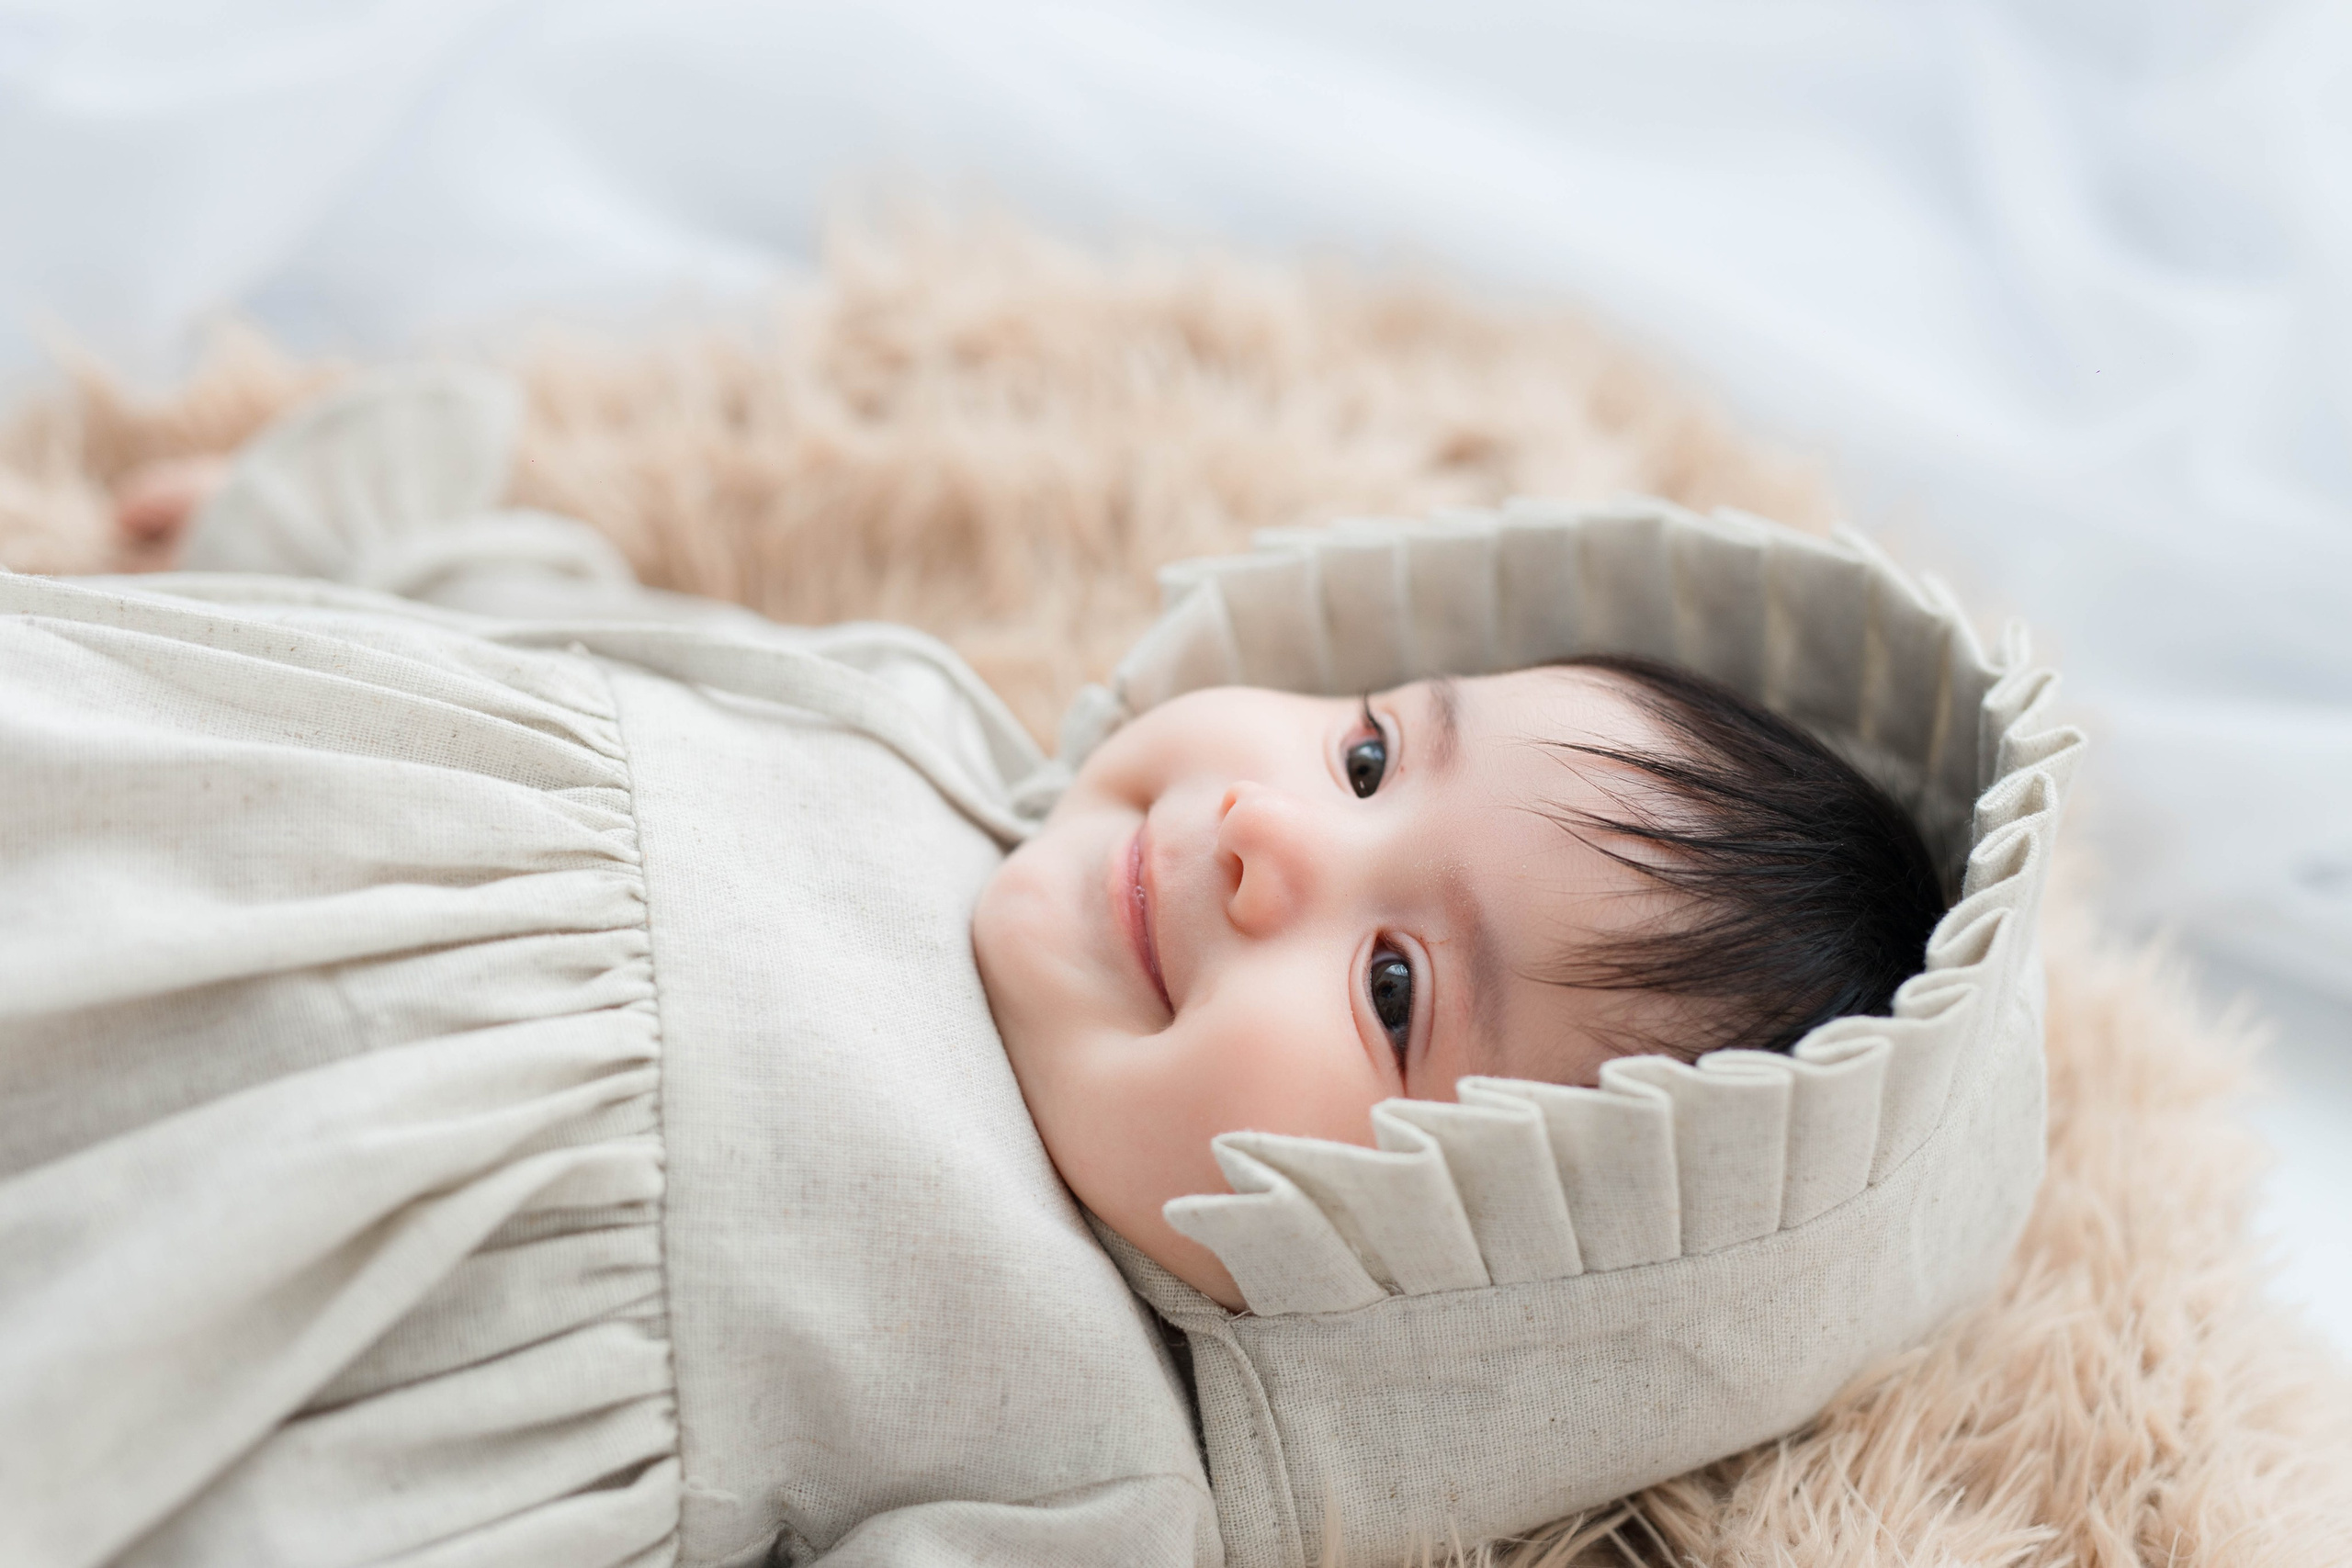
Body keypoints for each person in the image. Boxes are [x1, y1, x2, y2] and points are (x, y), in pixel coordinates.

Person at [0, 368, 2074, 1567]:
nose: (1269, 837)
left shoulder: (1089, 1453)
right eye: (1367, 754)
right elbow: (591, 656)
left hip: (198, 1298)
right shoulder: (933, 741)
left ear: (1444, 1298)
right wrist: (330, 537)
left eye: (1391, 993)